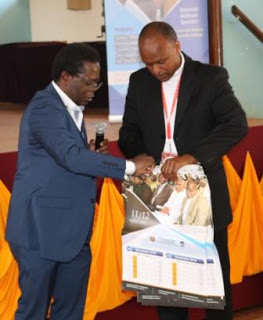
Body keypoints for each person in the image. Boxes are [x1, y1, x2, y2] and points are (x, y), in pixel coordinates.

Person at [5, 43, 155, 320]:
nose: (92, 91)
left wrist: (88, 155)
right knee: (33, 312)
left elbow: (64, 159)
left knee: (71, 311)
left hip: (72, 233)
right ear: (65, 77)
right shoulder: (44, 107)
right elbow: (70, 158)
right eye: (88, 83)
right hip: (39, 230)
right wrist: (131, 166)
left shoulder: (72, 107)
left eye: (97, 85)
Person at [118, 21, 248, 320]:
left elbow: (236, 125)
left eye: (161, 61)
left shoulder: (210, 78)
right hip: (158, 195)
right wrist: (141, 157)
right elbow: (129, 132)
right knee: (168, 287)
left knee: (214, 286)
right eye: (148, 63)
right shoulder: (139, 81)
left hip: (203, 195)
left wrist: (192, 156)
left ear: (177, 46)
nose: (155, 70)